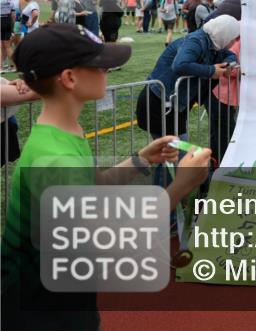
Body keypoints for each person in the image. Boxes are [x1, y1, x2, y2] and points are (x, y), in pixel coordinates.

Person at [1, 23, 211, 331]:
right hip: (40, 311)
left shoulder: (64, 131)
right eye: (99, 65)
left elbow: (92, 186)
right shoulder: (56, 160)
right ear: (69, 78)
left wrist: (140, 160)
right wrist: (183, 184)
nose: (107, 71)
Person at [137, 15, 239, 140]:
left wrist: (227, 65)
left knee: (169, 154)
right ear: (224, 34)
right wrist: (211, 70)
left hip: (172, 104)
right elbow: (180, 65)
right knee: (177, 152)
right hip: (159, 102)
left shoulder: (213, 43)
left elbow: (231, 55)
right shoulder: (196, 41)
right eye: (233, 39)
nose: (234, 42)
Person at [1, 0, 14, 71]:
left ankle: (0, 68)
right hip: (8, 23)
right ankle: (14, 66)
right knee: (7, 46)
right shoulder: (10, 1)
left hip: (1, 21)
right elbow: (13, 15)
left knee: (0, 46)